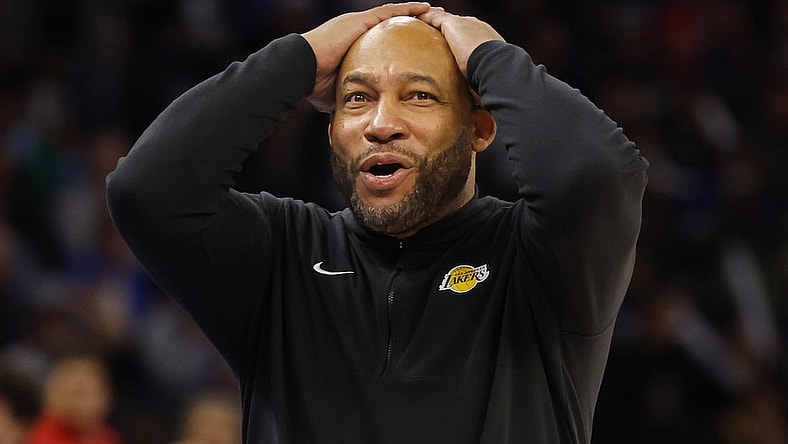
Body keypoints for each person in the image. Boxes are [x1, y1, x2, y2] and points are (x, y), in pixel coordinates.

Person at [106, 2, 648, 443]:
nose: (381, 124)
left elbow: (597, 173)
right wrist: (301, 57)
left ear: (481, 128)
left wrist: (490, 56)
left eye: (419, 96)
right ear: (330, 128)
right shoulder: (282, 255)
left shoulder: (541, 258)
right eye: (357, 99)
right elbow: (148, 191)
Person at [25, 353, 121, 444]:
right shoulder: (42, 436)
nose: (89, 403)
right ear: (53, 396)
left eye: (97, 393)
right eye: (78, 394)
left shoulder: (106, 435)